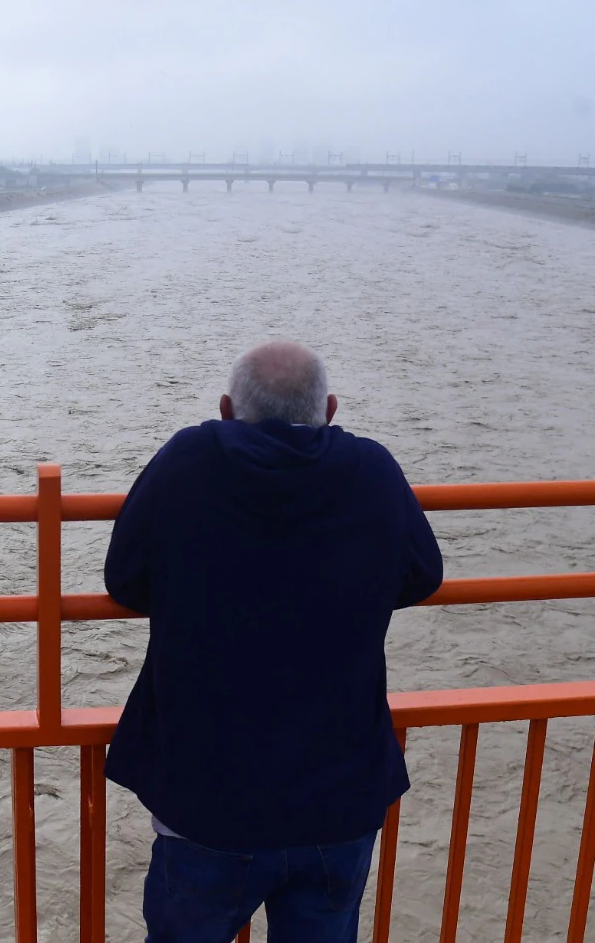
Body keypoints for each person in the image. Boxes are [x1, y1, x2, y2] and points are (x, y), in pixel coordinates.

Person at [104, 340, 443, 943]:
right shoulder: (372, 469)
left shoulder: (189, 459)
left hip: (207, 802)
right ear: (331, 409)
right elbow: (423, 575)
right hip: (340, 799)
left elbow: (124, 579)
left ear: (227, 408)